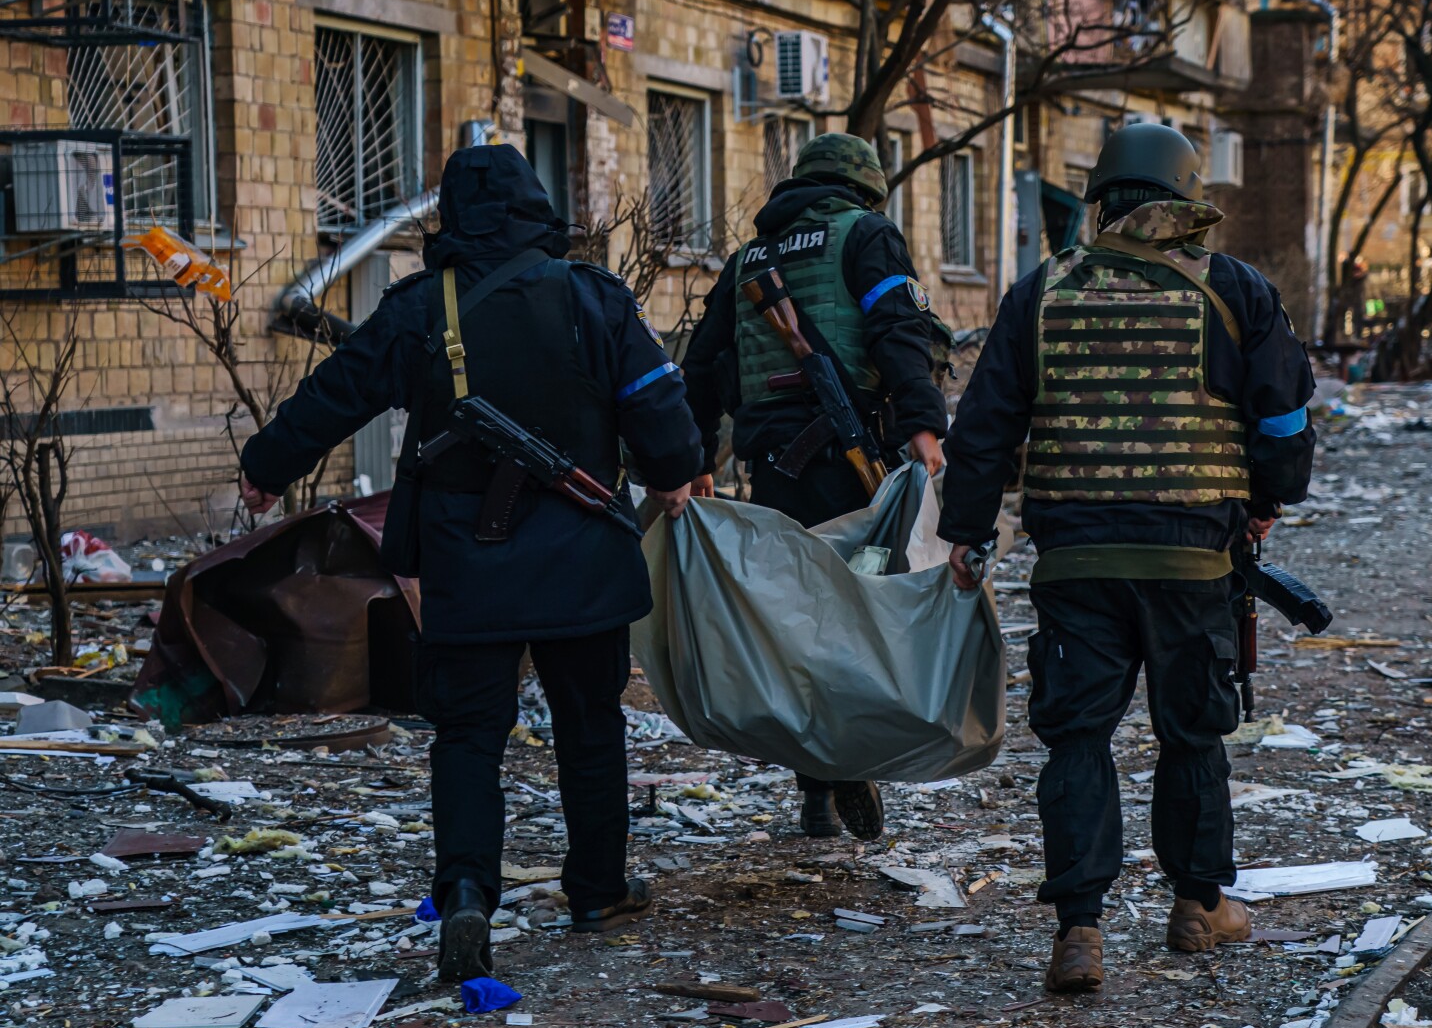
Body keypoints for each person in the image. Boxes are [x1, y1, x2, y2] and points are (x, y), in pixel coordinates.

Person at [237, 143, 703, 983]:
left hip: (467, 563)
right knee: (591, 726)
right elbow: (655, 403)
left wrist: (266, 466)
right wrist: (675, 475)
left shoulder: (422, 306)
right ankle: (597, 889)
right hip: (582, 565)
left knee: (467, 737)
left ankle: (463, 897)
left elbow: (339, 391)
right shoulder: (594, 298)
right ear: (536, 209)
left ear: (451, 217)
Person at [935, 123, 1316, 994]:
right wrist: (1263, 502)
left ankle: (1080, 929)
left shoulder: (1042, 291)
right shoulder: (1236, 290)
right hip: (1192, 562)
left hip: (1077, 561)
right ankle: (1196, 905)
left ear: (1101, 198)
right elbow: (1285, 417)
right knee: (1193, 733)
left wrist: (969, 533)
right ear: (1187, 200)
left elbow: (984, 427)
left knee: (1077, 738)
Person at [681, 132, 951, 843]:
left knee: (800, 620)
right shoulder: (866, 234)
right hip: (848, 465)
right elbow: (900, 330)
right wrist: (925, 427)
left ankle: (815, 787)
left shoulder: (752, 256)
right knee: (862, 617)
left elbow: (703, 362)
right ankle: (843, 760)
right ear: (865, 188)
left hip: (772, 471)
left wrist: (693, 455)